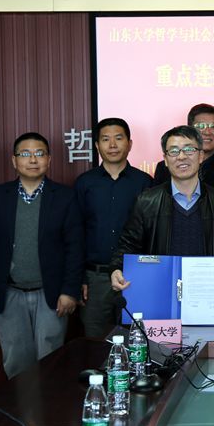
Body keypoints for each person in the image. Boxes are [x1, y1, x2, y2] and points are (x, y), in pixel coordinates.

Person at [0, 132, 84, 378]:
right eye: (25, 154)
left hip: (51, 294)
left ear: (49, 159)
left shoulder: (65, 196)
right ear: (14, 160)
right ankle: (21, 406)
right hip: (9, 292)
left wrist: (70, 291)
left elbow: (75, 247)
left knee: (51, 361)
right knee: (16, 362)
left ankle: (48, 405)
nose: (33, 159)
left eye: (39, 153)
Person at [110, 125, 214, 312]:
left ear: (201, 156)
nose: (181, 157)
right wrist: (116, 268)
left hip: (206, 300)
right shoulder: (146, 201)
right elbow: (127, 244)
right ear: (165, 159)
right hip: (158, 295)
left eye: (189, 149)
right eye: (173, 151)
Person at [74, 118, 151, 337]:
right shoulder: (84, 183)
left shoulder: (145, 182)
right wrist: (80, 278)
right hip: (95, 278)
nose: (113, 145)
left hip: (135, 275)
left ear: (130, 143)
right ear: (97, 145)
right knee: (95, 343)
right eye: (106, 139)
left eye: (119, 138)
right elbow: (76, 233)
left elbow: (152, 231)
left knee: (136, 339)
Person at [153, 103, 214, 219]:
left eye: (213, 126)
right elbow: (157, 211)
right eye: (200, 126)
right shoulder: (165, 167)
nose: (207, 132)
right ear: (189, 131)